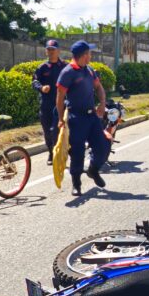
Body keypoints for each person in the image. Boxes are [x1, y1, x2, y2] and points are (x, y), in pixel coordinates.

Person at [56, 41, 110, 197]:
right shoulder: (68, 72)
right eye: (89, 53)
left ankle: (93, 170)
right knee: (78, 152)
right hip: (76, 117)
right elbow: (59, 98)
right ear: (84, 55)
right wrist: (61, 119)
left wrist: (102, 103)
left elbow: (98, 87)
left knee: (102, 146)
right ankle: (76, 184)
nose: (91, 56)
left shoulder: (89, 70)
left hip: (91, 116)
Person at [33, 40, 67, 165]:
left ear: (58, 51)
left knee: (55, 129)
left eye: (53, 49)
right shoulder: (42, 68)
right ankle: (51, 152)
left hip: (60, 104)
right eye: (49, 49)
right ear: (46, 51)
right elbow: (34, 82)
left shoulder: (64, 66)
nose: (51, 52)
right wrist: (41, 87)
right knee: (47, 131)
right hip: (46, 104)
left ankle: (59, 152)